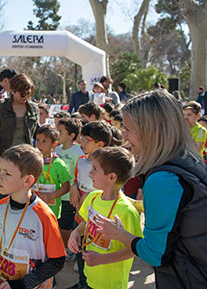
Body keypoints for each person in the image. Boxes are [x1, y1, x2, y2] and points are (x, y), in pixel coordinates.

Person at [97, 91, 207, 288]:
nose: (124, 136)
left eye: (128, 129)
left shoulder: (162, 179)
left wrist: (119, 234)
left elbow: (154, 254)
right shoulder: (188, 159)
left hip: (193, 278)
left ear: (152, 131)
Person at [0, 144, 66, 289]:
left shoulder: (44, 215)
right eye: (0, 170)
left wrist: (22, 284)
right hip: (4, 282)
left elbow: (57, 261)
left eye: (7, 174)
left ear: (28, 181)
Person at [68, 147, 143, 289]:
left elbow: (135, 249)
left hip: (111, 283)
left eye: (95, 169)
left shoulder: (126, 211)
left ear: (112, 177)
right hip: (91, 275)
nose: (90, 173)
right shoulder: (92, 197)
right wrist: (76, 233)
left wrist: (103, 259)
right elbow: (85, 222)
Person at [0, 73, 39, 251]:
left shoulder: (33, 108)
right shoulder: (1, 106)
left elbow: (36, 133)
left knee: (22, 198)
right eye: (23, 94)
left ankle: (17, 234)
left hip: (26, 160)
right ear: (13, 91)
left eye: (30, 93)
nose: (27, 97)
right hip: (4, 158)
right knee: (0, 198)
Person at [68, 121, 113, 289]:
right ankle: (82, 282)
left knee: (92, 249)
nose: (81, 142)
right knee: (79, 247)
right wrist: (73, 187)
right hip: (79, 213)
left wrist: (88, 197)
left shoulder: (107, 165)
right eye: (82, 138)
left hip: (95, 217)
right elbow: (76, 181)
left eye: (86, 139)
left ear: (100, 144)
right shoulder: (81, 160)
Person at [54, 118, 84, 250]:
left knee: (66, 226)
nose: (57, 134)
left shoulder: (77, 152)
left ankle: (68, 249)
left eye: (60, 131)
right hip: (57, 194)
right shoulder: (57, 149)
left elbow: (81, 174)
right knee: (58, 223)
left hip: (69, 198)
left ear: (72, 136)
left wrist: (75, 188)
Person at [33, 125, 71, 219]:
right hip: (32, 207)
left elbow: (66, 187)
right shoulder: (31, 162)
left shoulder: (58, 164)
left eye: (44, 141)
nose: (39, 144)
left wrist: (51, 195)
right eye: (38, 140)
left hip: (50, 210)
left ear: (54, 145)